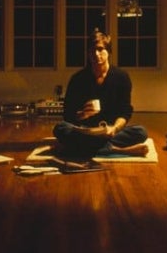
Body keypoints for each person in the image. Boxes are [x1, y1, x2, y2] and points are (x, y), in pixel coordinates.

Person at [52, 29, 149, 158]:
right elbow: (68, 115)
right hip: (86, 130)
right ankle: (118, 150)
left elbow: (125, 112)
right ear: (88, 53)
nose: (96, 54)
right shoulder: (78, 79)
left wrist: (114, 128)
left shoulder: (121, 77)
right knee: (60, 128)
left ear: (108, 51)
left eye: (100, 49)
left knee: (141, 132)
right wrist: (83, 114)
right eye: (92, 50)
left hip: (110, 130)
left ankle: (81, 148)